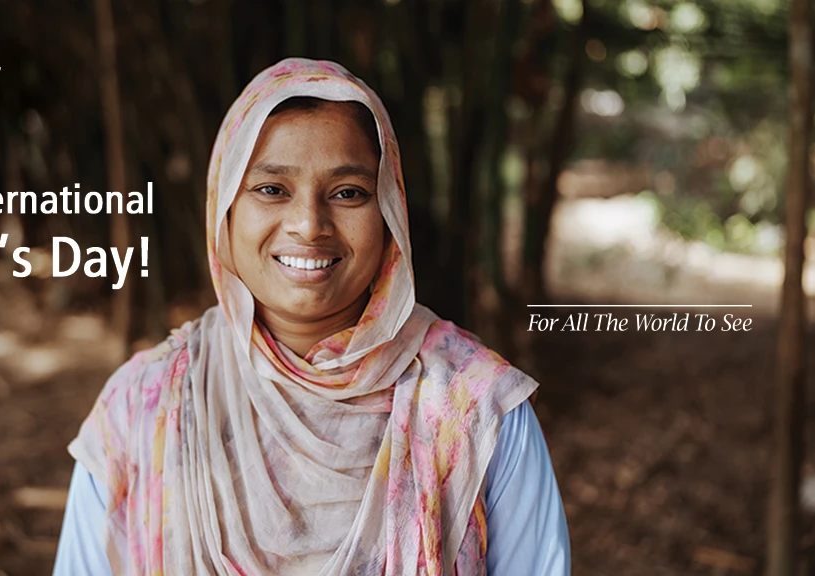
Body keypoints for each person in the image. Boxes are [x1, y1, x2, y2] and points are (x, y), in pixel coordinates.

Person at [52, 58, 570, 575]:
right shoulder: (143, 407)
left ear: (390, 212)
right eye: (271, 189)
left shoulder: (472, 407)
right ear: (223, 211)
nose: (308, 224)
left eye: (348, 193)